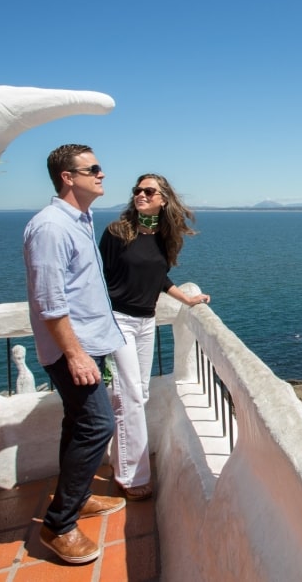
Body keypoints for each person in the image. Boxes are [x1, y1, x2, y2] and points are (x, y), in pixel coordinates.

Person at [23, 144, 126, 565]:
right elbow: (51, 301)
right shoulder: (50, 227)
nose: (102, 174)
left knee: (79, 423)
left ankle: (78, 498)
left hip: (87, 345)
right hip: (73, 351)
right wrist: (76, 355)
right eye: (94, 169)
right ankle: (58, 525)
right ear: (68, 176)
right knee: (97, 426)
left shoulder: (80, 221)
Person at [99, 173, 209, 501]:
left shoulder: (160, 236)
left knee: (138, 394)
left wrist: (186, 299)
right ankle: (132, 477)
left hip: (146, 322)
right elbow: (97, 276)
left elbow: (160, 276)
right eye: (138, 190)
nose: (141, 195)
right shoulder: (117, 232)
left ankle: (123, 462)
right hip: (118, 321)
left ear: (163, 200)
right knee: (129, 396)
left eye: (149, 191)